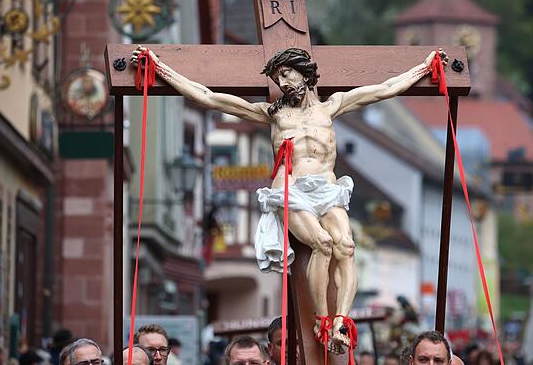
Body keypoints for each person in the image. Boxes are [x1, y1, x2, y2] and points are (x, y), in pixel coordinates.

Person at [131, 46, 449, 353]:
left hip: (327, 188)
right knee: (323, 243)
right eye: (277, 78)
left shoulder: (332, 106)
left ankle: (341, 322)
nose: (282, 83)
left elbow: (385, 89)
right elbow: (209, 97)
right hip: (291, 190)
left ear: (305, 74)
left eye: (286, 74)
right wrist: (160, 69)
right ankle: (323, 321)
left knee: (347, 246)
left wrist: (425, 67)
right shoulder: (273, 115)